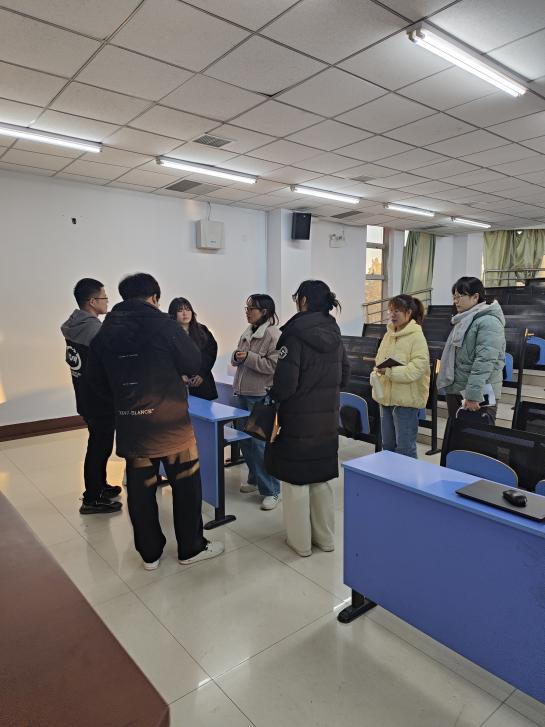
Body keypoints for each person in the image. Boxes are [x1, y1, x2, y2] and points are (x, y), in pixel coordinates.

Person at [87, 273, 223, 570]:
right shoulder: (166, 326)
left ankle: (149, 554)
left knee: (140, 490)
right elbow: (193, 362)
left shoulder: (104, 332)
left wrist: (124, 403)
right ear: (155, 298)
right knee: (186, 487)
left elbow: (96, 380)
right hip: (171, 423)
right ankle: (190, 548)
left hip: (131, 425)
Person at [265, 280, 350, 557]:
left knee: (296, 481)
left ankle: (300, 543)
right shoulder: (334, 332)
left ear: (303, 301)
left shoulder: (294, 334)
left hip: (298, 418)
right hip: (327, 418)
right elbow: (345, 376)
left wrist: (274, 394)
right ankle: (326, 539)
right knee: (321, 479)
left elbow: (285, 384)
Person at [61, 278, 122, 515]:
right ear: (92, 301)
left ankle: (100, 486)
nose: (107, 302)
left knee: (99, 445)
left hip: (85, 396)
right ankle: (92, 498)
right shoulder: (95, 330)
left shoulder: (73, 325)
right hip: (100, 400)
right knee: (99, 447)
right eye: (105, 298)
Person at [232, 294, 281, 510]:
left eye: (252, 308)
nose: (247, 312)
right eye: (247, 308)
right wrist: (236, 356)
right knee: (245, 441)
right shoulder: (248, 332)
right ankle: (254, 479)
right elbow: (238, 357)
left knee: (261, 445)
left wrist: (247, 357)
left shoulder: (273, 334)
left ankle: (272, 490)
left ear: (265, 312)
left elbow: (273, 366)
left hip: (261, 396)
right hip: (243, 394)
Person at [437, 276, 506, 424]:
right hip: (457, 387)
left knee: (478, 434)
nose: (456, 301)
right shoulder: (463, 319)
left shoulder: (489, 321)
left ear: (475, 297)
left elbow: (485, 361)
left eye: (459, 296)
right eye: (454, 297)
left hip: (479, 391)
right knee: (457, 433)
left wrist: (473, 395)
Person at [372, 294, 430, 459]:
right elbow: (379, 359)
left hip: (406, 401)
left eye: (397, 311)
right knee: (387, 446)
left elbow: (416, 369)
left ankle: (407, 476)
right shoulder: (388, 334)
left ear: (409, 312)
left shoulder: (416, 336)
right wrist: (378, 369)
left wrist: (390, 372)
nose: (392, 314)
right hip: (386, 398)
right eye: (390, 311)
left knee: (405, 449)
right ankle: (389, 475)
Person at [168, 297, 218, 400]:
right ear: (173, 314)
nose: (185, 313)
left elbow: (210, 352)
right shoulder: (169, 334)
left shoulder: (202, 330)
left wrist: (201, 374)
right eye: (180, 310)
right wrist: (179, 375)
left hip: (203, 383)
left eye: (187, 309)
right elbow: (166, 358)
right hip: (178, 387)